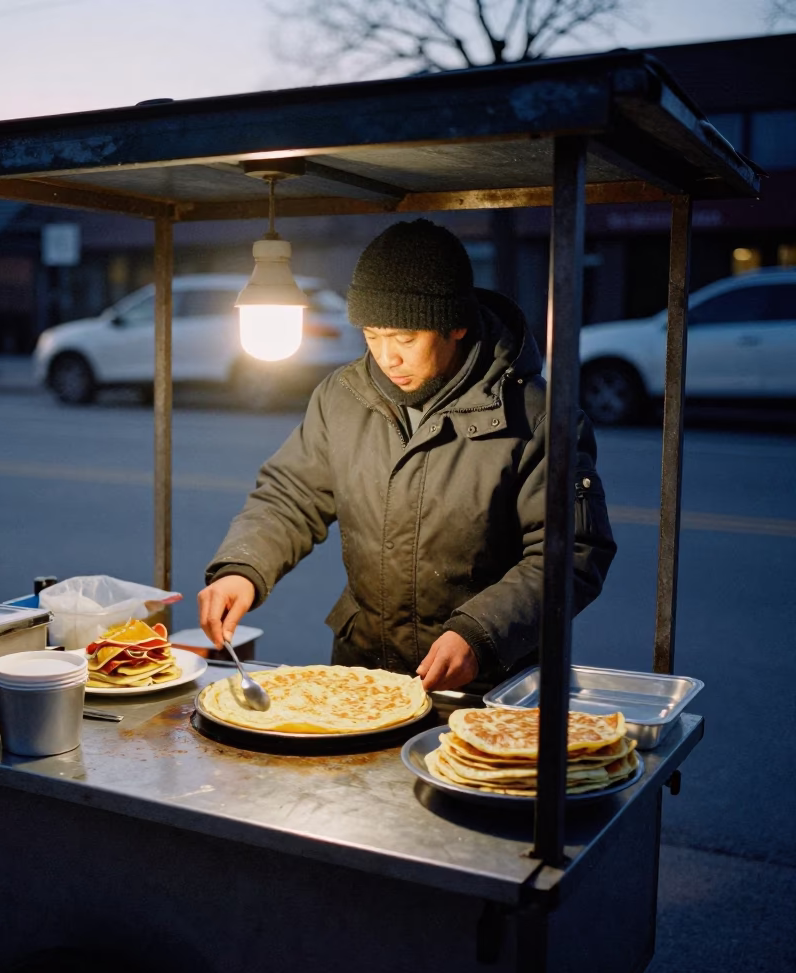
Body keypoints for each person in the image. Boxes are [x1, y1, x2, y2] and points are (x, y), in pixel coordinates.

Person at [197, 219, 616, 693]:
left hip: (484, 684)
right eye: (372, 335)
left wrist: (480, 633)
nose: (386, 358)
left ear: (456, 324)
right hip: (362, 674)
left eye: (405, 338)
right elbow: (289, 496)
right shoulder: (342, 397)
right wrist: (242, 569)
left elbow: (571, 553)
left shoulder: (539, 418)